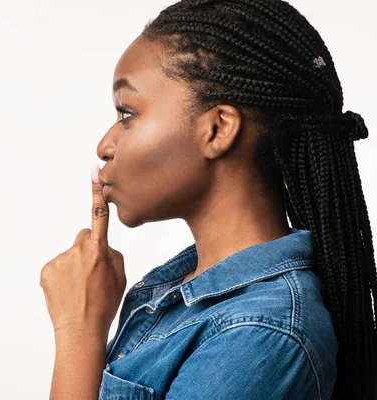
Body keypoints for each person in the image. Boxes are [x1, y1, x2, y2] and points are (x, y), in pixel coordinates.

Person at [39, 0, 377, 399]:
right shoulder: (181, 292)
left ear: (218, 129)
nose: (105, 145)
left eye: (127, 113)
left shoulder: (259, 337)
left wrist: (78, 332)